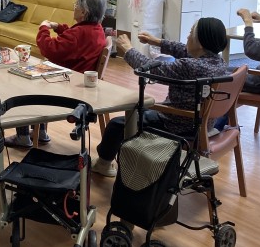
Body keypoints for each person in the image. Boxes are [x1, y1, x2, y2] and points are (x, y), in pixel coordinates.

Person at [92, 17, 229, 177]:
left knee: (117, 125)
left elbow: (149, 69)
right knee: (135, 114)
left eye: (191, 33)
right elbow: (184, 49)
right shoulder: (219, 62)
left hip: (176, 124)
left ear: (200, 43)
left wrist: (128, 49)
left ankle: (103, 164)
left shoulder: (190, 67)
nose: (187, 36)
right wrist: (156, 41)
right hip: (202, 124)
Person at [4, 0, 108, 149]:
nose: (74, 7)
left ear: (84, 12)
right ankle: (40, 132)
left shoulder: (77, 34)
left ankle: (23, 136)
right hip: (82, 81)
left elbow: (49, 48)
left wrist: (43, 29)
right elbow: (74, 35)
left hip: (69, 85)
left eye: (76, 5)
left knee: (23, 84)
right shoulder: (97, 29)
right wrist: (57, 26)